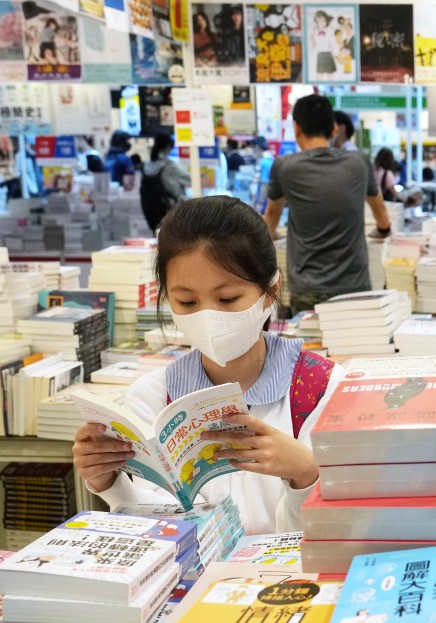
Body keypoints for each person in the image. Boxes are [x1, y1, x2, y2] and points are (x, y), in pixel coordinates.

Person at [71, 196, 342, 535]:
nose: (208, 316)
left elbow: (335, 535)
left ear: (271, 290)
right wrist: (109, 482)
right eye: (187, 301)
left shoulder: (323, 389)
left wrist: (306, 474)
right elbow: (157, 538)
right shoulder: (152, 398)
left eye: (227, 299)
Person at [263, 94, 392, 313]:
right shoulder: (359, 162)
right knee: (355, 343)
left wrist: (274, 235)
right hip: (355, 285)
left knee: (312, 345)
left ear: (296, 127)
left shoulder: (285, 166)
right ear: (333, 129)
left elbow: (272, 216)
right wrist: (382, 230)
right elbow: (380, 211)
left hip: (307, 286)